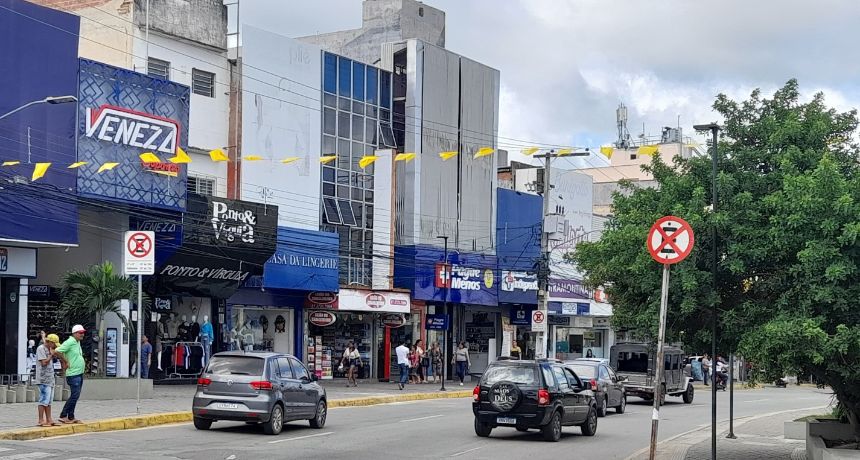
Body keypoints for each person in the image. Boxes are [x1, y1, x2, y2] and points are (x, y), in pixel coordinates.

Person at [57, 325, 86, 424]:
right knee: (74, 395)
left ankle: (71, 416)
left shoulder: (77, 342)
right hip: (73, 374)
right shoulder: (70, 342)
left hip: (79, 372)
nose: (82, 334)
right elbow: (58, 351)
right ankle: (63, 415)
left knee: (76, 395)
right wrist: (65, 361)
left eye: (83, 332)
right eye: (80, 333)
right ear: (74, 333)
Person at [36, 332, 63, 427]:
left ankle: (49, 419)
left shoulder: (49, 348)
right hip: (43, 378)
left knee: (49, 400)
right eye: (54, 344)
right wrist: (51, 355)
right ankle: (40, 419)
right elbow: (43, 362)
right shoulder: (41, 349)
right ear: (50, 342)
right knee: (44, 399)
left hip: (50, 378)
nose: (55, 346)